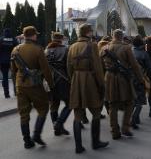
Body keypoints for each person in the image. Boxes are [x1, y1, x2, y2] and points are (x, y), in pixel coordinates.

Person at [67, 24, 109, 154]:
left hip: (76, 80)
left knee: (77, 115)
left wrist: (74, 79)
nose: (92, 33)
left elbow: (68, 67)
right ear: (88, 33)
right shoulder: (92, 46)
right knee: (96, 111)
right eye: (91, 31)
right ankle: (95, 142)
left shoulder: (72, 46)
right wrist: (102, 85)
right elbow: (97, 68)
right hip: (90, 80)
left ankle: (78, 146)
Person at [11, 26, 54, 149]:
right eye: (36, 34)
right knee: (43, 108)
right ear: (33, 35)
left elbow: (13, 70)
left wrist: (16, 85)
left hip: (20, 84)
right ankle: (36, 134)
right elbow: (46, 70)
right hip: (34, 85)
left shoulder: (15, 49)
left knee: (23, 113)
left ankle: (27, 141)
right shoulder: (38, 49)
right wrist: (51, 85)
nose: (37, 36)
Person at [100, 29, 143, 140]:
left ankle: (114, 131)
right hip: (123, 78)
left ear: (112, 36)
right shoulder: (126, 47)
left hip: (108, 77)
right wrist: (141, 79)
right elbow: (134, 65)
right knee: (130, 102)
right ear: (122, 36)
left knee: (112, 105)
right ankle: (125, 128)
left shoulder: (105, 48)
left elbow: (100, 65)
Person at [45, 32, 71, 136]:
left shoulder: (46, 50)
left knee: (53, 104)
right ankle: (59, 124)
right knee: (69, 103)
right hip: (62, 79)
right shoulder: (65, 49)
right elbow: (68, 66)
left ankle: (57, 127)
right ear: (61, 39)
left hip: (49, 79)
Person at [131, 36, 151, 129]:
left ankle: (136, 118)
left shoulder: (130, 51)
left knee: (133, 99)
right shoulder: (144, 54)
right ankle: (133, 119)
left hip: (129, 78)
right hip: (140, 78)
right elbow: (150, 69)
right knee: (140, 101)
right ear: (142, 44)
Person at [0, 28, 18, 98]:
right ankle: (16, 92)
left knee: (5, 77)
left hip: (2, 61)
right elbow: (17, 49)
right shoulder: (13, 40)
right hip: (12, 61)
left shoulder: (1, 39)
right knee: (15, 77)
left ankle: (6, 94)